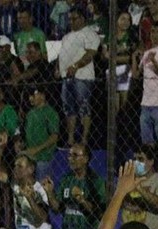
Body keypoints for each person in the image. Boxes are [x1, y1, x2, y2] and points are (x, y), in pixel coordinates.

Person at [133, 23, 158, 175]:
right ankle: (147, 169)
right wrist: (133, 59)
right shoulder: (147, 52)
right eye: (152, 32)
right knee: (147, 141)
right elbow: (137, 75)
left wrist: (154, 61)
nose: (154, 35)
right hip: (146, 102)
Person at [58, 8, 100, 147]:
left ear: (82, 18)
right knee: (69, 109)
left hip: (83, 77)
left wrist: (76, 66)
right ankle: (70, 139)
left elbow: (90, 53)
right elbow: (62, 55)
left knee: (84, 108)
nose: (71, 21)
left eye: (74, 18)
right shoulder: (66, 36)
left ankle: (84, 139)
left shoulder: (89, 34)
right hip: (67, 77)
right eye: (69, 19)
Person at [20, 87, 59, 182]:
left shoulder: (50, 113)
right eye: (29, 96)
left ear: (43, 95)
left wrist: (37, 149)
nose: (30, 98)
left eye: (34, 95)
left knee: (41, 187)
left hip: (43, 157)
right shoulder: (30, 114)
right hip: (30, 157)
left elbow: (54, 137)